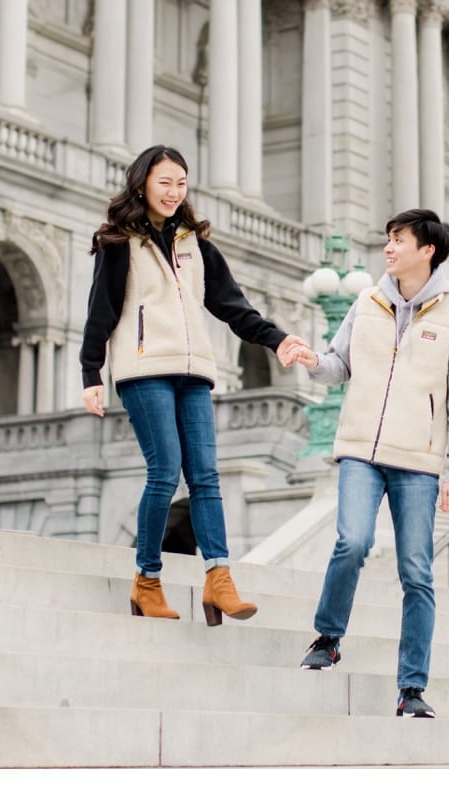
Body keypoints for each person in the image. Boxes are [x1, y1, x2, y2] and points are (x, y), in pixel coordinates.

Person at [80, 145, 311, 624]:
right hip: (144, 372)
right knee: (164, 471)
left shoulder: (196, 245)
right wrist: (91, 374)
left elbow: (232, 306)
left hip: (194, 372)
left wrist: (278, 340)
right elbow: (99, 314)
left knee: (206, 476)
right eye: (165, 182)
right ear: (142, 182)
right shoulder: (118, 243)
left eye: (181, 183)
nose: (173, 192)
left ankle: (219, 578)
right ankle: (147, 581)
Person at [293, 209, 449, 718]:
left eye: (399, 240)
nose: (389, 248)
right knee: (352, 541)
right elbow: (338, 366)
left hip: (418, 462)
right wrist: (310, 361)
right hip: (360, 451)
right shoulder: (366, 302)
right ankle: (328, 636)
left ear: (428, 251)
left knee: (416, 572)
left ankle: (412, 688)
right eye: (387, 239)